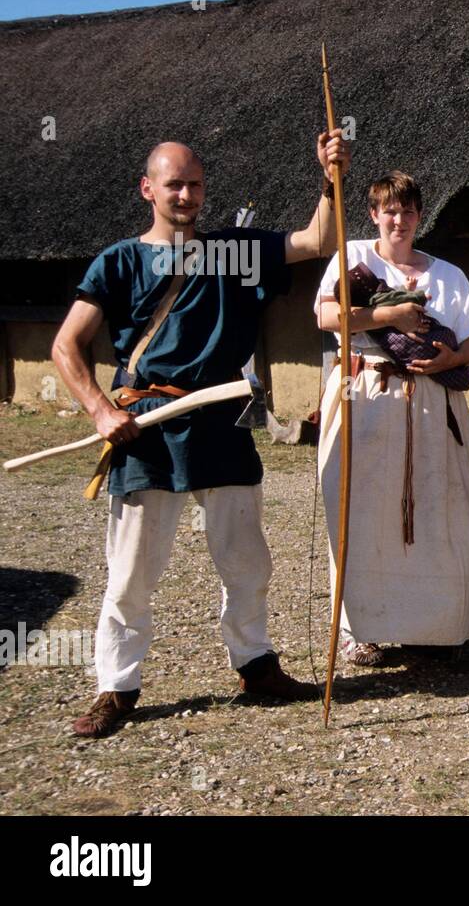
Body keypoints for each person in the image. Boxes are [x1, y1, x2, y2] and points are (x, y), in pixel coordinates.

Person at [51, 131, 351, 738]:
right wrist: (100, 412)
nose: (186, 195)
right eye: (173, 185)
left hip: (222, 420)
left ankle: (256, 664)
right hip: (147, 428)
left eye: (195, 185)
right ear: (148, 189)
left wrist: (329, 176)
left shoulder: (235, 251)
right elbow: (65, 345)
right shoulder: (119, 261)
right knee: (131, 570)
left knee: (247, 562)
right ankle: (116, 686)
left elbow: (317, 239)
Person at [316, 171, 469, 667]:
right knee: (363, 510)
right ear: (374, 214)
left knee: (434, 510)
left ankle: (429, 626)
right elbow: (328, 319)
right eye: (389, 211)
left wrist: (449, 362)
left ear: (420, 216)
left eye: (408, 211)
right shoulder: (352, 258)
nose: (399, 219)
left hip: (433, 401)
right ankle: (359, 628)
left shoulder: (447, 274)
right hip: (366, 395)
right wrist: (386, 318)